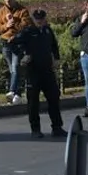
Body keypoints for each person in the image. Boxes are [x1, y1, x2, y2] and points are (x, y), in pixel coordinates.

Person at [12, 9, 66, 139]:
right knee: (33, 102)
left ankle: (57, 127)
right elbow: (13, 44)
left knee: (54, 98)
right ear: (33, 19)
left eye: (41, 18)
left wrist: (56, 59)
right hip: (33, 71)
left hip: (47, 70)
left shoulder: (47, 31)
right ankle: (35, 129)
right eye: (37, 19)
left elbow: (54, 45)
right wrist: (23, 56)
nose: (39, 21)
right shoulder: (27, 32)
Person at [0, 0, 32, 104]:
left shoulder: (23, 10)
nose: (8, 3)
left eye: (10, 1)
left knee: (15, 67)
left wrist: (14, 23)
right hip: (6, 42)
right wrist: (6, 25)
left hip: (17, 42)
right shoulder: (2, 11)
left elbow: (26, 26)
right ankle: (18, 94)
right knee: (12, 69)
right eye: (6, 1)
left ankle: (11, 91)